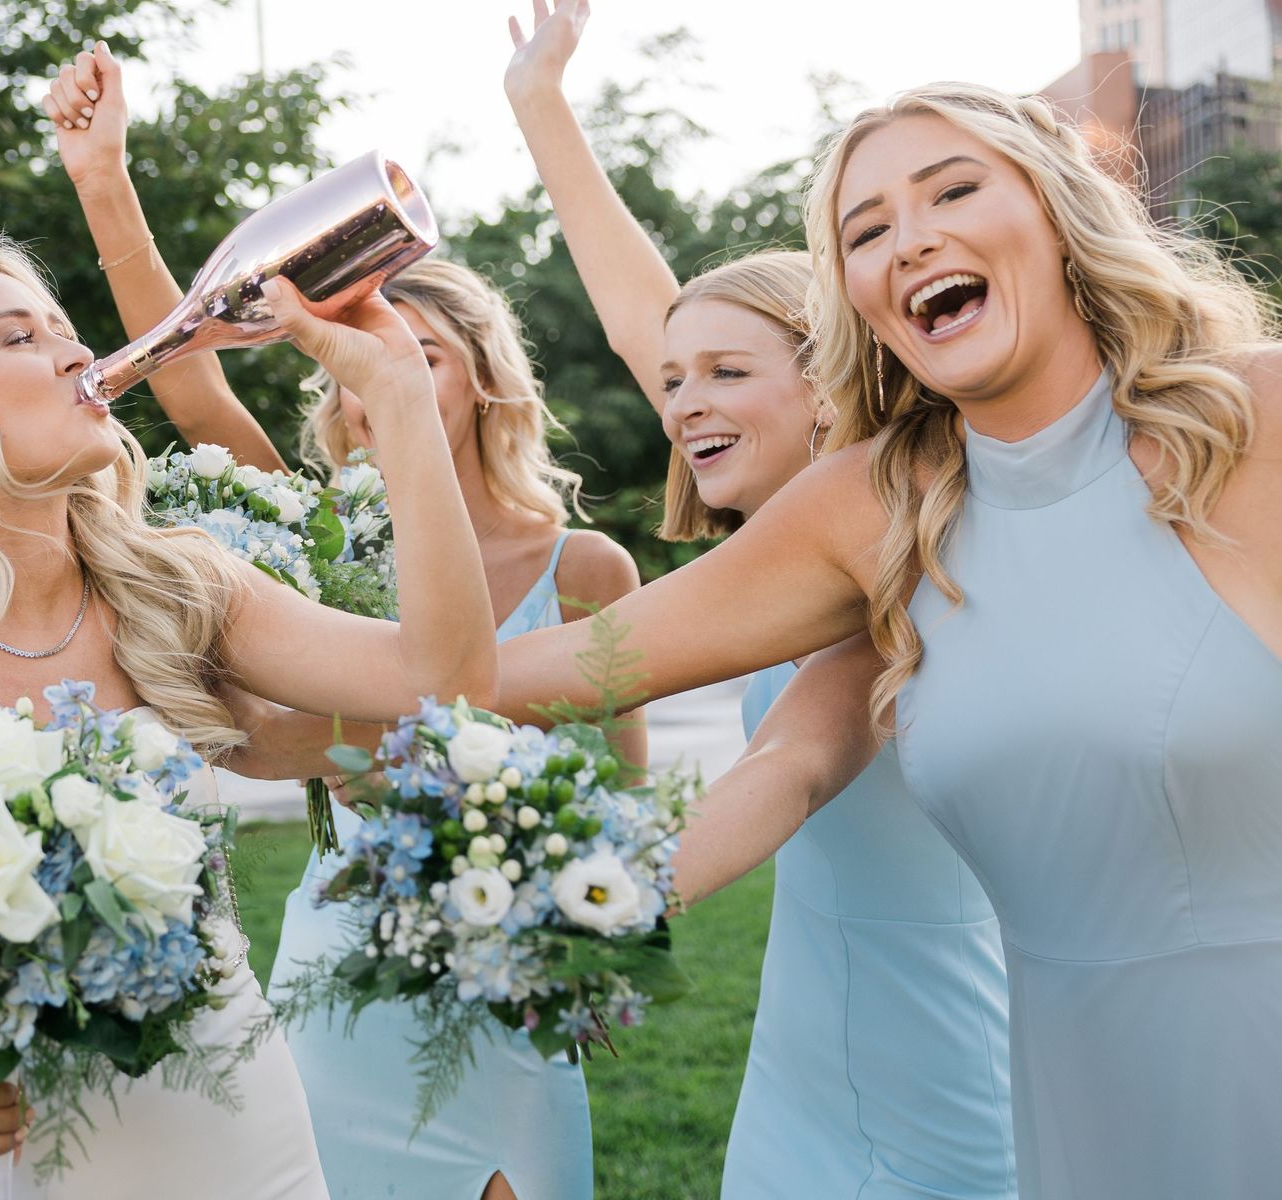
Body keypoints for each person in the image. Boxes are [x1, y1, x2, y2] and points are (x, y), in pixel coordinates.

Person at [496, 77, 1282, 1200]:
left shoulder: (1226, 434)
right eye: (867, 231)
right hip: (967, 1070)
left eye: (953, 191)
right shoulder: (876, 522)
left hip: (1063, 1052)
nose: (684, 404)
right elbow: (765, 746)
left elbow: (793, 761)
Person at [43, 43, 643, 1200]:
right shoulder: (319, 543)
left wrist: (598, 933)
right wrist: (104, 181)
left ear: (484, 378)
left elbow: (622, 793)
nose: (377, 379)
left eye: (417, 356)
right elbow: (189, 381)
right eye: (354, 359)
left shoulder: (586, 568)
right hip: (338, 963)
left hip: (507, 959)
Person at [0, 231, 499, 1198]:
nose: (78, 352)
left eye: (65, 330)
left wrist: (401, 392)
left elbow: (442, 677)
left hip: (237, 1126)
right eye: (20, 337)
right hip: (18, 1150)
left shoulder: (181, 586)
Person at [500, 5, 1018, 1195]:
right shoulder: (779, 532)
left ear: (828, 389)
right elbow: (649, 321)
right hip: (802, 1048)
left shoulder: (904, 555)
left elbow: (791, 764)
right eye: (674, 381)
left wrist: (616, 904)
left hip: (947, 1061)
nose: (683, 403)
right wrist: (540, 101)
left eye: (727, 374)